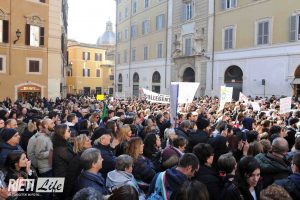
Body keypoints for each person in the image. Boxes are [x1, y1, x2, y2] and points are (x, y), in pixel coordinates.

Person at [64, 134, 92, 199]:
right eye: (88, 141)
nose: (90, 141)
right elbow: (70, 179)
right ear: (82, 144)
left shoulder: (85, 156)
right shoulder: (77, 160)